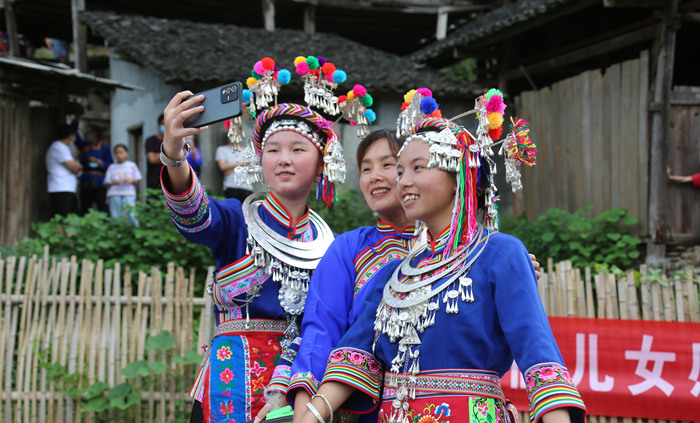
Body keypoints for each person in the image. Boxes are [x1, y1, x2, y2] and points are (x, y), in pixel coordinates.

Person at [297, 92, 585, 423]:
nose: (402, 181)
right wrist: (313, 414)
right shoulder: (393, 275)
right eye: (401, 171)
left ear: (457, 176)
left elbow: (538, 354)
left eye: (417, 168)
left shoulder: (500, 253)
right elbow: (356, 355)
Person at [159, 56, 353, 423]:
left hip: (297, 393)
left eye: (298, 149)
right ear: (259, 159)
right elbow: (192, 212)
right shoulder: (236, 221)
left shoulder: (333, 247)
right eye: (273, 150)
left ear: (322, 163)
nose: (283, 159)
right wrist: (173, 154)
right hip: (226, 387)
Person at [46, 123, 82, 217]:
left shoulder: (63, 147)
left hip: (66, 187)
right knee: (62, 218)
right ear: (71, 136)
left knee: (71, 218)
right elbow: (74, 167)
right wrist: (79, 166)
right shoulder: (58, 146)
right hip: (61, 187)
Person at [104, 144, 142, 226]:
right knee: (115, 216)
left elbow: (137, 180)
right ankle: (118, 235)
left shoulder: (131, 165)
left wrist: (131, 179)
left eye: (121, 152)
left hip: (128, 193)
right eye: (116, 153)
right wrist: (117, 182)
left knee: (131, 214)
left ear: (126, 153)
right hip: (114, 193)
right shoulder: (111, 167)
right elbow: (107, 184)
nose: (119, 155)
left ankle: (135, 233)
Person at [79, 126, 112, 214]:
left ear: (96, 134)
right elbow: (75, 136)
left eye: (91, 132)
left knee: (102, 206)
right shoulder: (84, 147)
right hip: (85, 180)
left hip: (99, 181)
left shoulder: (104, 148)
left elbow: (110, 165)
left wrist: (98, 161)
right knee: (85, 207)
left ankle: (104, 226)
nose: (88, 134)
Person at [145, 113, 165, 190]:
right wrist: (171, 155)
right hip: (154, 182)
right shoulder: (151, 141)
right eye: (163, 124)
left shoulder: (175, 141)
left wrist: (159, 156)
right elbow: (152, 159)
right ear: (159, 125)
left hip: (170, 182)